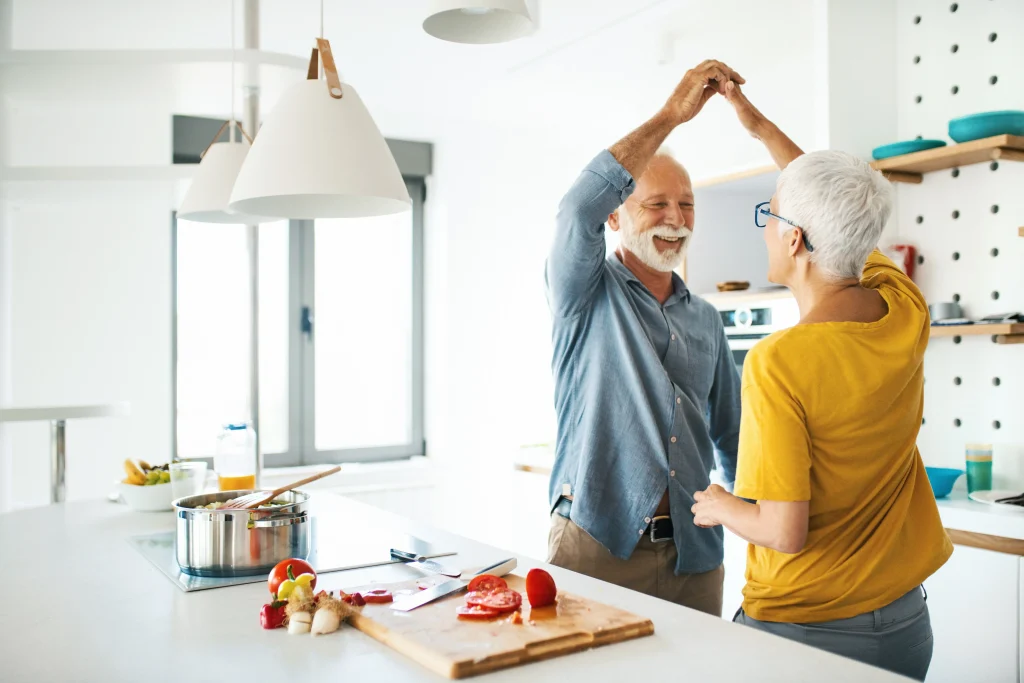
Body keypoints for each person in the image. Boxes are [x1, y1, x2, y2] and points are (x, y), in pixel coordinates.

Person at [690, 79, 953, 680]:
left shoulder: (779, 362)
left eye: (769, 215)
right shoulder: (903, 305)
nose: (764, 228)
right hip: (905, 626)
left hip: (804, 638)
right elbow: (842, 213)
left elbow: (782, 530)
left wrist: (721, 504)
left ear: (794, 239)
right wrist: (760, 129)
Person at [544, 60, 745, 616]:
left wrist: (761, 520)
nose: (675, 219)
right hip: (598, 545)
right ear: (615, 218)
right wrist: (672, 116)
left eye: (686, 204)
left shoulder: (706, 319)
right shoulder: (583, 293)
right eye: (656, 204)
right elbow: (576, 209)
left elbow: (732, 435)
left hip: (695, 555)